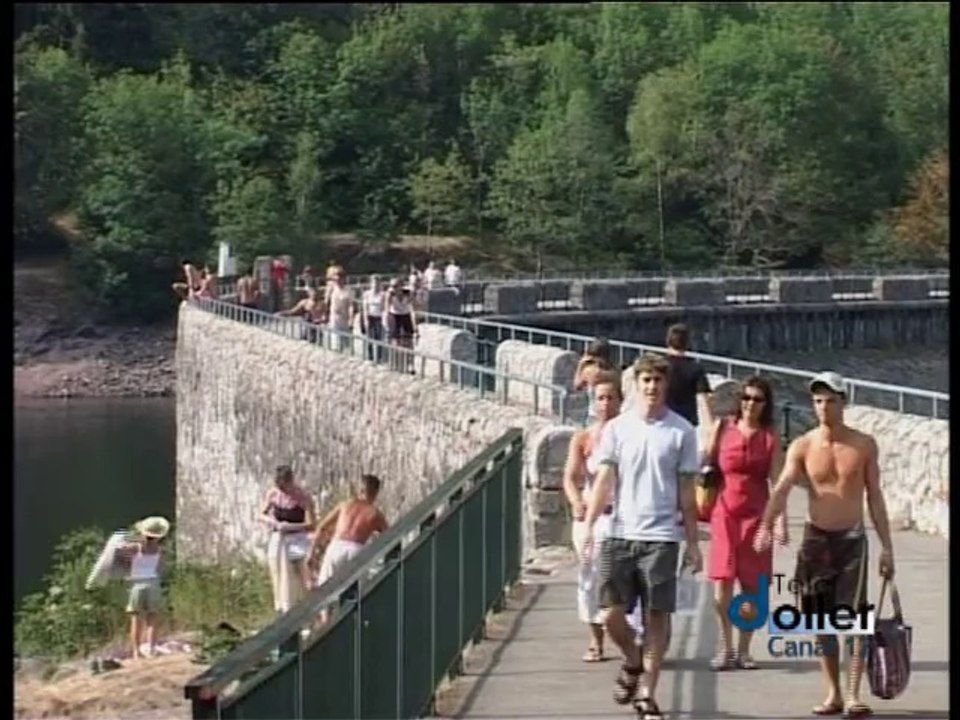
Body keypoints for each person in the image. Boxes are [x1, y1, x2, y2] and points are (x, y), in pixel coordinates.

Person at [754, 371, 895, 719]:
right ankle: (833, 692)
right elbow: (784, 486)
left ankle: (853, 694)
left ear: (843, 402)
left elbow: (874, 496)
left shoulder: (863, 444)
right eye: (818, 401)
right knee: (818, 620)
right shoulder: (803, 445)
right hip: (816, 539)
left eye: (831, 400)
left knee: (855, 619)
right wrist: (766, 525)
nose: (824, 407)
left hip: (851, 539)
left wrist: (887, 547)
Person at [582, 353, 701, 720]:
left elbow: (686, 492)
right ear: (636, 385)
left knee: (657, 616)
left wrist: (693, 542)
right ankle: (633, 659)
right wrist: (588, 526)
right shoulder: (617, 429)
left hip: (662, 536)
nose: (652, 388)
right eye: (646, 381)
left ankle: (647, 695)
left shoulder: (681, 431)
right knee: (610, 613)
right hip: (620, 532)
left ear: (666, 386)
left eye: (658, 382)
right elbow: (604, 480)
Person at [707, 375, 786, 671]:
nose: (751, 404)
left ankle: (744, 648)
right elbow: (707, 464)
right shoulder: (723, 428)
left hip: (756, 517)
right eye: (747, 398)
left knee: (753, 588)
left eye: (758, 399)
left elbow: (778, 482)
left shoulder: (769, 437)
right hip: (724, 514)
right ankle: (725, 647)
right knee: (722, 584)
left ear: (766, 405)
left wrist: (779, 522)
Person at [564, 371, 643, 662]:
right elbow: (571, 477)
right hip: (592, 519)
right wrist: (575, 501)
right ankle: (595, 640)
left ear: (621, 402)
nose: (606, 404)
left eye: (611, 397)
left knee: (625, 579)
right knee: (590, 578)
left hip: (623, 517)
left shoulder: (631, 437)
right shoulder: (583, 438)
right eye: (600, 398)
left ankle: (629, 638)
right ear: (593, 403)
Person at [309, 474, 388, 622]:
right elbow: (389, 536)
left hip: (337, 546)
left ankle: (326, 626)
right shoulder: (375, 513)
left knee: (325, 592)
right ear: (375, 493)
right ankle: (353, 625)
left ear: (360, 490)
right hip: (357, 549)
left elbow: (321, 528)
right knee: (357, 593)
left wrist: (311, 554)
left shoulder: (344, 505)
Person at [259, 466, 316, 613]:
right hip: (279, 538)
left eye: (284, 486)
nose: (282, 490)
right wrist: (272, 522)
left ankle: (305, 607)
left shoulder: (303, 497)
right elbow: (261, 514)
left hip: (297, 539)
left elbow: (311, 524)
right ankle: (282, 607)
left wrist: (292, 526)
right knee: (278, 572)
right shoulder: (273, 494)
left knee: (299, 573)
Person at [116, 516, 170, 659]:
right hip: (153, 583)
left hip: (136, 585)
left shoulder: (134, 548)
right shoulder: (160, 550)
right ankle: (151, 648)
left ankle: (136, 651)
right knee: (152, 618)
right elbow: (161, 569)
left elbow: (120, 558)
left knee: (136, 619)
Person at [664, 324, 713, 431]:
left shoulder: (660, 366)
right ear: (687, 343)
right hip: (686, 423)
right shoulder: (696, 368)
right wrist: (710, 430)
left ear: (668, 341)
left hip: (663, 421)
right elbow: (703, 401)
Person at [573, 338, 615, 426]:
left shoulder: (591, 372)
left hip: (595, 415)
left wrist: (581, 365)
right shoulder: (615, 371)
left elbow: (577, 385)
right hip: (612, 413)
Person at [323, 265, 354, 353]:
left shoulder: (348, 291)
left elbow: (351, 306)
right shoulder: (331, 288)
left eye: (340, 277)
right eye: (336, 278)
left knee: (347, 342)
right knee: (335, 340)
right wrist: (325, 315)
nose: (338, 280)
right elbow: (327, 302)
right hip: (334, 317)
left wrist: (351, 319)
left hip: (345, 318)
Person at [361, 275, 386, 362]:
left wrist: (384, 319)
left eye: (377, 283)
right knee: (369, 337)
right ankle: (370, 356)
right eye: (374, 283)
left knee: (379, 337)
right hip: (370, 316)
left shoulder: (382, 294)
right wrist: (365, 319)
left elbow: (383, 308)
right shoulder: (367, 294)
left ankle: (379, 357)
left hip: (378, 317)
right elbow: (365, 307)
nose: (375, 285)